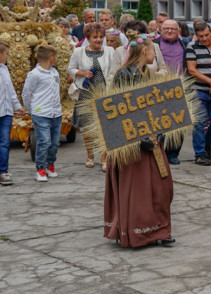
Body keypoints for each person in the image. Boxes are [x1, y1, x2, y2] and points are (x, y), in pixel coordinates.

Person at [103, 40, 175, 248]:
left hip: (153, 140)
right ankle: (139, 232)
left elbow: (159, 105)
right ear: (144, 51)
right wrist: (135, 139)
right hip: (133, 144)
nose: (155, 54)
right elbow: (118, 111)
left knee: (161, 188)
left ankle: (160, 229)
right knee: (137, 191)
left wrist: (161, 131)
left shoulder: (149, 75)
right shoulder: (123, 75)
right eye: (154, 50)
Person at [68, 22, 119, 169]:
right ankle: (90, 155)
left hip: (105, 93)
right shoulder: (79, 52)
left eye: (101, 37)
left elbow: (114, 70)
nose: (98, 39)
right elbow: (70, 69)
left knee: (105, 126)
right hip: (85, 93)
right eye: (95, 37)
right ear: (88, 38)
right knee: (88, 127)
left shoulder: (110, 51)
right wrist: (82, 73)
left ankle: (104, 157)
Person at [186, 21, 211, 165]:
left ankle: (207, 143)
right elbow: (192, 70)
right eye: (201, 36)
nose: (204, 38)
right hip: (198, 90)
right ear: (196, 35)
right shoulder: (192, 47)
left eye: (207, 35)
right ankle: (200, 153)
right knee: (199, 122)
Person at [22, 45, 63, 182]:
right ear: (51, 58)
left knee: (55, 142)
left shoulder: (54, 72)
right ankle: (40, 168)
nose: (56, 59)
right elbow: (27, 94)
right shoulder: (34, 74)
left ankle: (50, 164)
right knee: (44, 141)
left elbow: (57, 90)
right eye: (55, 56)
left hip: (55, 113)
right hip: (41, 113)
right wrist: (32, 109)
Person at [153, 20, 190, 164]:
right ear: (160, 30)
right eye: (166, 28)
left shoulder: (184, 44)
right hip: (158, 87)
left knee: (179, 120)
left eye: (173, 29)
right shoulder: (154, 43)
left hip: (180, 87)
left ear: (178, 31)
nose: (169, 31)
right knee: (158, 121)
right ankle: (158, 152)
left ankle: (173, 153)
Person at [0, 41, 24, 185]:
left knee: (4, 142)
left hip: (6, 112)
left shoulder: (4, 69)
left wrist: (17, 106)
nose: (8, 57)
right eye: (6, 54)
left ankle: (3, 171)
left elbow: (10, 90)